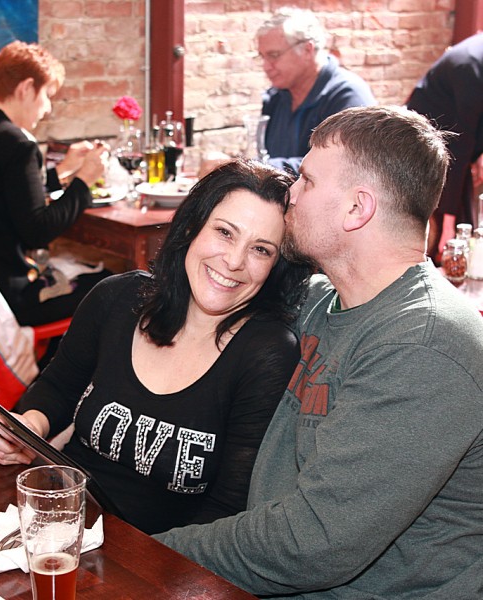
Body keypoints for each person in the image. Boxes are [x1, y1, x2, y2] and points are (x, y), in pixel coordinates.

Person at [155, 106, 483, 598]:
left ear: (357, 209)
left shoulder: (424, 346)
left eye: (306, 180)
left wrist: (147, 551)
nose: (290, 193)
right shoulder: (317, 301)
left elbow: (312, 545)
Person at [0, 158, 311, 535]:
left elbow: (227, 507)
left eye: (261, 250)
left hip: (160, 554)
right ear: (191, 227)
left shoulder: (267, 353)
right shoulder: (117, 298)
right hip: (57, 520)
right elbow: (58, 388)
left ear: (276, 266)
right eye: (225, 232)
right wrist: (29, 425)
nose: (235, 261)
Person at [0, 40, 111, 327]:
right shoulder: (18, 144)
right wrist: (84, 180)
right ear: (26, 88)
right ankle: (62, 356)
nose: (47, 109)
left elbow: (2, 193)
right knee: (112, 286)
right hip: (13, 295)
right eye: (47, 95)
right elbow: (38, 231)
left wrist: (62, 170)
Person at [257, 8, 376, 175]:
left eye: (274, 55)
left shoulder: (348, 97)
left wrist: (257, 168)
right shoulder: (275, 98)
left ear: (307, 50)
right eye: (262, 56)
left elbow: (340, 167)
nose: (265, 66)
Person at [407, 32, 483, 262]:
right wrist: (448, 224)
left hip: (460, 141)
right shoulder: (469, 64)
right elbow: (459, 148)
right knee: (443, 240)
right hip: (430, 144)